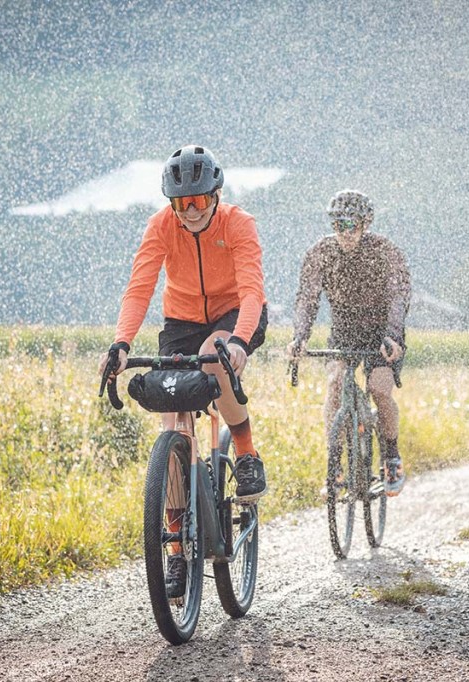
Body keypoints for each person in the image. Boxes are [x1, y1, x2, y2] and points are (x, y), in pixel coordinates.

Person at [99, 145, 268, 596]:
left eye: (197, 201)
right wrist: (121, 343)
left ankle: (247, 454)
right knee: (173, 418)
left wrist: (239, 341)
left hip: (235, 314)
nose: (189, 212)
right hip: (180, 321)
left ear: (215, 195)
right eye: (179, 203)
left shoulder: (238, 223)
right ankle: (176, 554)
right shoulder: (160, 227)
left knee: (215, 356)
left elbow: (252, 290)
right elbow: (139, 289)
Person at [288, 190, 412, 496]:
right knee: (335, 382)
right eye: (337, 224)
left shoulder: (385, 250)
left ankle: (391, 456)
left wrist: (394, 336)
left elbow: (399, 296)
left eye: (351, 224)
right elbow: (307, 298)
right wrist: (299, 337)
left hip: (382, 330)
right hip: (343, 329)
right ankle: (335, 465)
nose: (344, 231)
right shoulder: (321, 252)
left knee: (379, 388)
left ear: (365, 223)